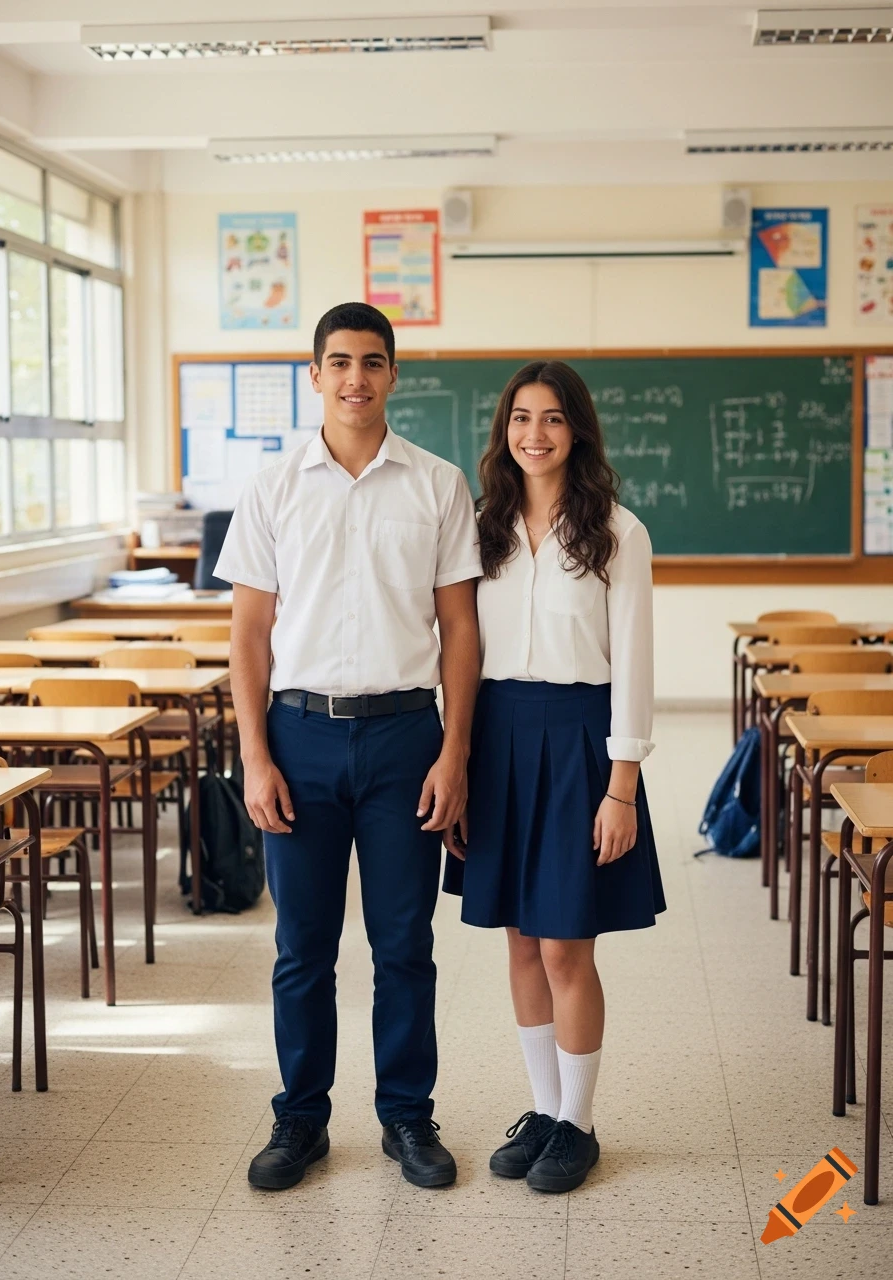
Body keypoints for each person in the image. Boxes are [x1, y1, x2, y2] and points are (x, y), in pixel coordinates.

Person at [215, 302, 481, 1192]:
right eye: (339, 362)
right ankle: (301, 1121)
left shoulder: (439, 485)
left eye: (373, 362)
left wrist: (455, 756)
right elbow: (248, 635)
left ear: (394, 374)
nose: (356, 378)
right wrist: (255, 756)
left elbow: (460, 633)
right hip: (298, 740)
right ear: (316, 374)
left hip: (408, 738)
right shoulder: (274, 486)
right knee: (303, 948)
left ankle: (408, 1118)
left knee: (405, 943)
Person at [444, 359, 665, 1193]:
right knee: (521, 940)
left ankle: (578, 1123)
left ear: (578, 431)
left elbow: (635, 667)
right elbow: (454, 652)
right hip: (495, 739)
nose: (534, 434)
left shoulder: (617, 531)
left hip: (579, 743)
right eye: (521, 419)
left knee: (569, 943)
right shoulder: (477, 526)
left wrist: (621, 786)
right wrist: (456, 761)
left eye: (553, 419)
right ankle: (541, 1109)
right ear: (505, 431)